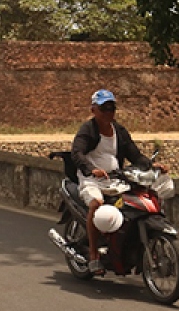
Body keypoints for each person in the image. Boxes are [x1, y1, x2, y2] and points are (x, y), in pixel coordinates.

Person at [70, 89, 167, 275]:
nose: (108, 113)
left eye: (111, 108)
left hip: (115, 179)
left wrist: (152, 165)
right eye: (104, 108)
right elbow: (77, 153)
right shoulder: (88, 130)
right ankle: (93, 255)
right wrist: (91, 170)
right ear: (94, 110)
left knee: (134, 202)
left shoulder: (119, 131)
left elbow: (134, 154)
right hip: (91, 180)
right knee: (96, 203)